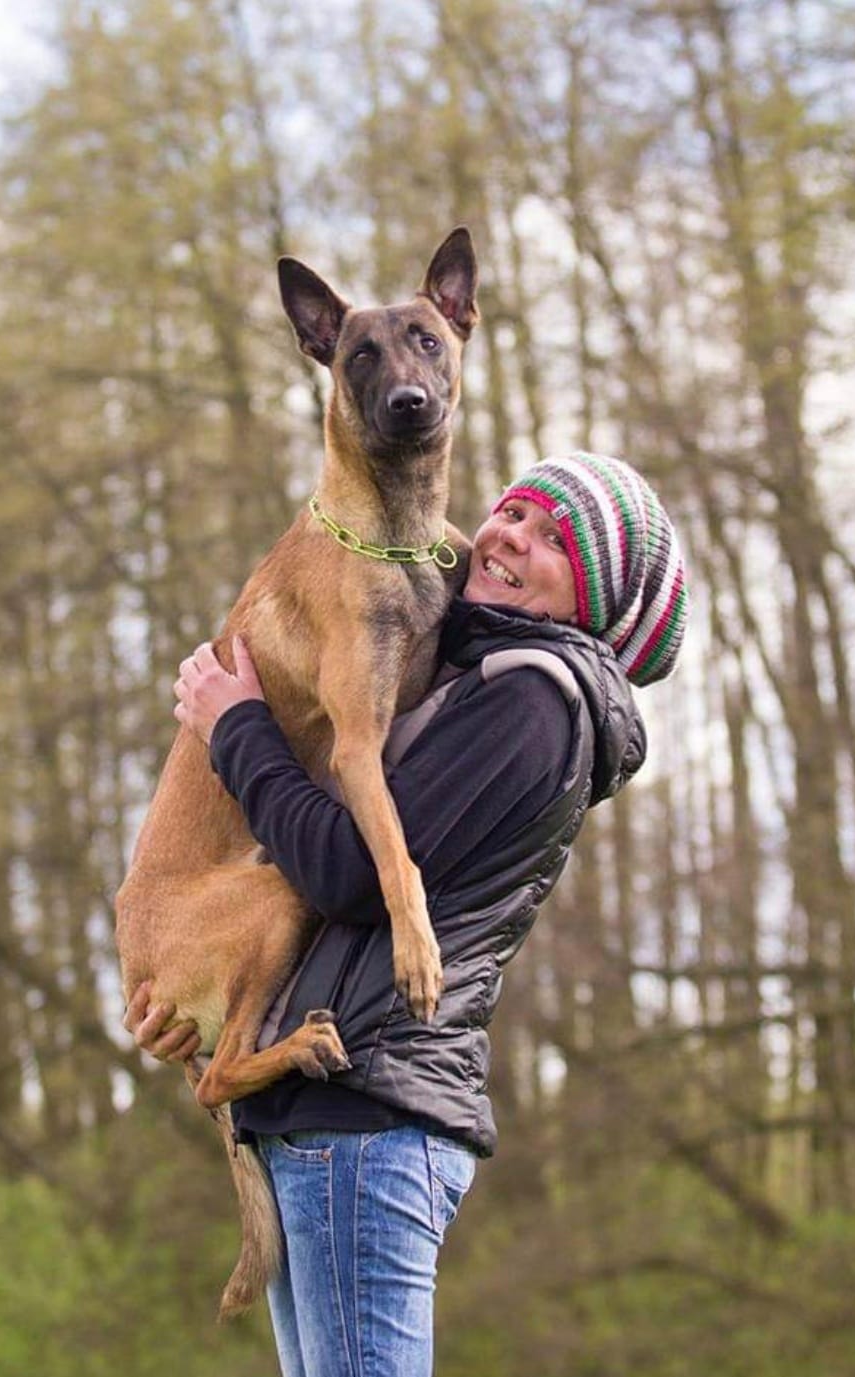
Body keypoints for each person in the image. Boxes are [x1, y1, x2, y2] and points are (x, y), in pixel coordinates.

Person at [124, 451, 689, 1377]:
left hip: (368, 1123)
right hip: (324, 1118)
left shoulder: (534, 704)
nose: (510, 537)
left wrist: (237, 729)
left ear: (593, 608)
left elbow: (346, 873)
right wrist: (197, 1001)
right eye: (516, 511)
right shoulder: (475, 672)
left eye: (555, 544)